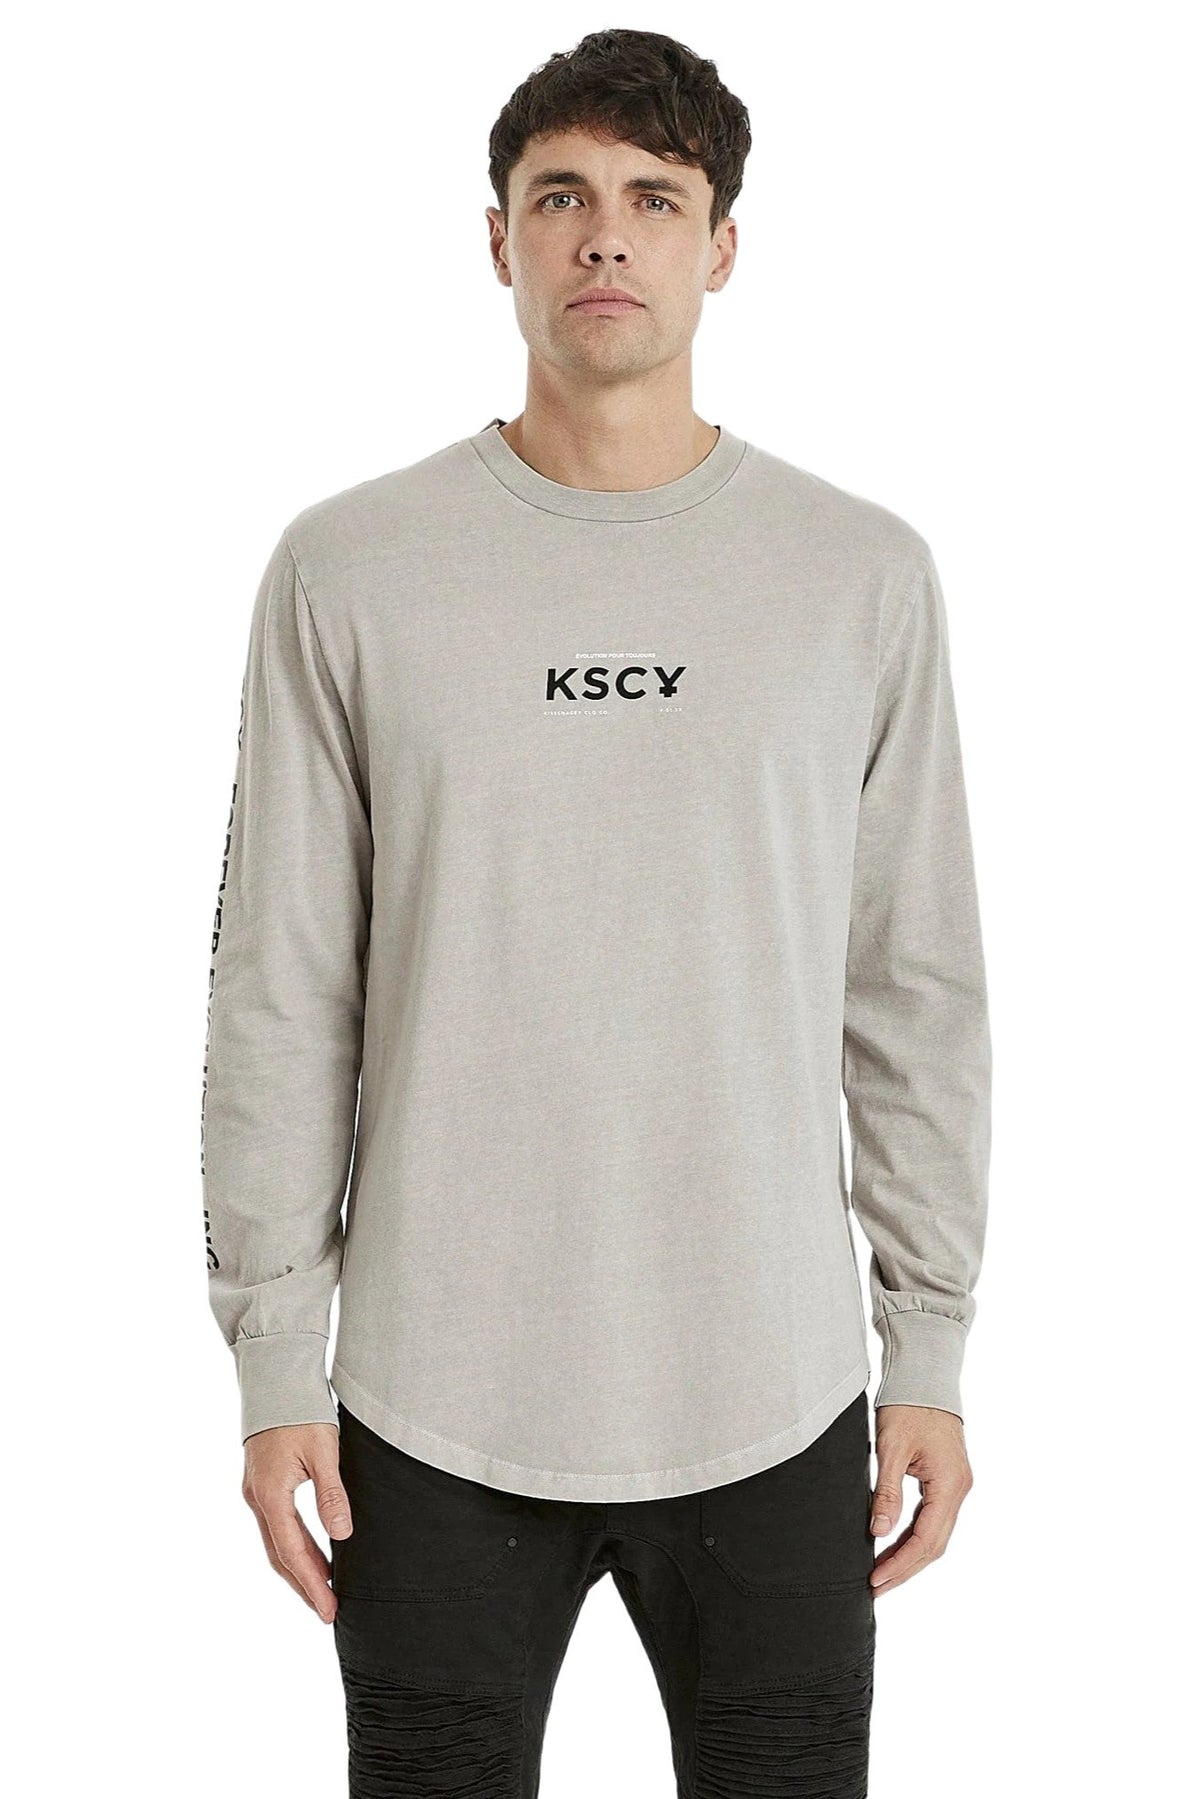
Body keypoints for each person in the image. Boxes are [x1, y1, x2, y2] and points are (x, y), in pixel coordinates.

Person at [200, 27, 991, 1797]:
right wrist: (273, 1361)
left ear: (724, 246)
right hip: (429, 1398)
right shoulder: (350, 566)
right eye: (560, 197)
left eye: (655, 199)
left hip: (776, 1391)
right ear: (499, 240)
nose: (605, 236)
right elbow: (279, 988)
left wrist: (927, 1345)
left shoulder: (859, 575)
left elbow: (913, 987)